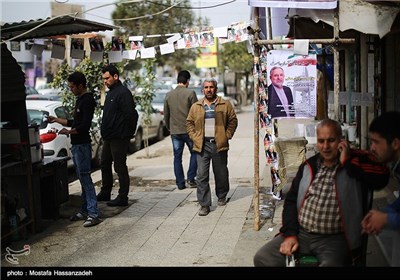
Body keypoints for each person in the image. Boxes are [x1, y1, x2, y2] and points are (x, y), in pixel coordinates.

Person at [253, 119, 390, 266]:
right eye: (321, 141)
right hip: (301, 234)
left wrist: (347, 162)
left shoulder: (355, 160)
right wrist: (291, 234)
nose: (325, 146)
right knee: (263, 258)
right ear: (317, 142)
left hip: (334, 239)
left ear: (340, 141)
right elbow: (291, 202)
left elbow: (381, 177)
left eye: (331, 140)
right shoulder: (308, 167)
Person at [48, 72, 101, 227]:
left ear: (80, 85)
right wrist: (56, 120)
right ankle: (84, 210)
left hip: (82, 145)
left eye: (72, 86)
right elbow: (74, 122)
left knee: (86, 179)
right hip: (77, 145)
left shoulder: (87, 100)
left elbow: (83, 126)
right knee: (82, 179)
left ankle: (93, 213)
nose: (71, 89)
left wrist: (68, 132)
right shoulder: (80, 100)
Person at [186, 78, 238, 216]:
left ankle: (221, 195)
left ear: (216, 89)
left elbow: (233, 120)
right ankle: (204, 204)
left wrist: (226, 135)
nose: (209, 90)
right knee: (201, 176)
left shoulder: (224, 104)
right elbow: (189, 123)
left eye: (211, 87)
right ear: (203, 89)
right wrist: (194, 136)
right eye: (206, 87)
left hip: (218, 145)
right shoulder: (196, 106)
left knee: (220, 173)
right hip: (202, 145)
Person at [361, 111, 400, 266]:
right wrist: (385, 212)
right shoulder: (396, 167)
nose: (371, 148)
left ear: (395, 143)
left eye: (376, 142)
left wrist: (386, 219)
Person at [96, 65, 139, 207]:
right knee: (104, 163)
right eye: (103, 79)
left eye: (107, 78)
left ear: (115, 77)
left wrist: (128, 133)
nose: (105, 81)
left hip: (119, 137)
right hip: (109, 136)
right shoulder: (111, 93)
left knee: (119, 166)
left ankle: (122, 196)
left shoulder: (123, 93)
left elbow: (132, 115)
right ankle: (105, 191)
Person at [164, 70, 198, 190]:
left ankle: (180, 183)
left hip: (175, 131)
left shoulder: (168, 95)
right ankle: (191, 178)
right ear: (187, 81)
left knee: (177, 157)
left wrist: (169, 128)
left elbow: (166, 115)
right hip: (189, 131)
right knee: (195, 153)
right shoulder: (191, 93)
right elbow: (197, 113)